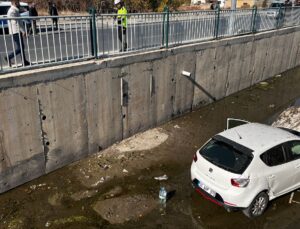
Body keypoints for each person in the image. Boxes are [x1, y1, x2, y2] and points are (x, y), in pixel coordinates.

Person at [5, 0, 30, 67]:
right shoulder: (13, 11)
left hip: (16, 31)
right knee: (21, 47)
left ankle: (24, 61)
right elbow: (17, 22)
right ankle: (9, 57)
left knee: (21, 47)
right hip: (16, 31)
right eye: (18, 2)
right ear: (15, 3)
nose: (19, 4)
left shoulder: (13, 10)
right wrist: (23, 31)